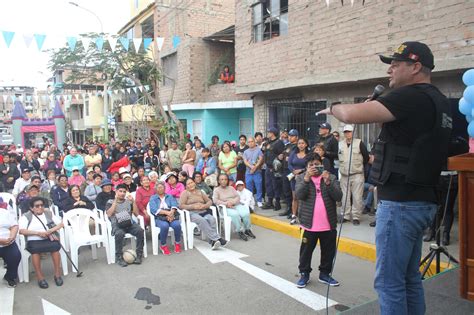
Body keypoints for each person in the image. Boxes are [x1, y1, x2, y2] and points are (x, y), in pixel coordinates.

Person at [317, 41, 451, 315]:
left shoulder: (410, 96)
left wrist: (334, 108)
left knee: (389, 283)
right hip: (422, 201)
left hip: (400, 204)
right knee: (410, 279)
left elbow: (351, 114)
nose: (390, 69)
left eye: (396, 64)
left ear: (415, 68)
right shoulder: (437, 100)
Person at [295, 154, 342, 288]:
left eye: (317, 164)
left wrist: (327, 182)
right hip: (309, 225)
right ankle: (304, 274)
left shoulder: (330, 177)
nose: (314, 167)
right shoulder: (301, 178)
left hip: (328, 224)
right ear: (306, 167)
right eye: (311, 165)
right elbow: (299, 195)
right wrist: (306, 179)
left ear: (322, 164)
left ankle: (325, 274)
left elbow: (338, 196)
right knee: (306, 252)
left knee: (329, 251)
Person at [19, 197, 65, 289]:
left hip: (49, 237)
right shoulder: (26, 216)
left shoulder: (48, 213)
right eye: (37, 206)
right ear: (32, 208)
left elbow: (61, 224)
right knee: (35, 251)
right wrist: (38, 233)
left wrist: (50, 230)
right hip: (34, 239)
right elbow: (21, 230)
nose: (40, 207)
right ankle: (40, 277)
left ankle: (57, 274)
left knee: (55, 247)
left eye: (42, 205)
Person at [179, 178, 227, 249]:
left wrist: (204, 206)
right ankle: (218, 238)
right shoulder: (185, 193)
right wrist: (193, 206)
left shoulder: (200, 192)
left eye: (191, 182)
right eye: (188, 184)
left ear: (194, 183)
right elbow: (181, 205)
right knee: (202, 220)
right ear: (186, 186)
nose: (190, 185)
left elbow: (209, 201)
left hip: (203, 211)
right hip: (192, 213)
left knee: (212, 219)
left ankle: (213, 241)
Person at [106, 184, 144, 266]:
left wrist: (133, 202)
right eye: (120, 191)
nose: (122, 193)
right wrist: (115, 201)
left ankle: (139, 254)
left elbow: (137, 213)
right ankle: (119, 257)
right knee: (119, 234)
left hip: (129, 223)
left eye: (124, 192)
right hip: (117, 224)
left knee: (140, 231)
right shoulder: (110, 202)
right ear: (116, 192)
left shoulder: (128, 202)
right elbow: (109, 214)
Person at [338, 124, 369, 226]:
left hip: (357, 174)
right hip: (344, 175)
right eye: (346, 132)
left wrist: (359, 167)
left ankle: (356, 216)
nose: (347, 133)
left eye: (349, 131)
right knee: (344, 196)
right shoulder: (340, 144)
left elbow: (366, 157)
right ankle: (345, 215)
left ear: (353, 132)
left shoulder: (359, 143)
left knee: (357, 196)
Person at [213, 174, 253, 241]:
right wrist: (226, 203)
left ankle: (247, 229)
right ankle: (240, 231)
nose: (224, 181)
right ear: (219, 181)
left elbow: (237, 197)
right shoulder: (216, 190)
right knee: (235, 214)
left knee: (245, 213)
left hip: (235, 205)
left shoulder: (231, 188)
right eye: (222, 179)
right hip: (224, 208)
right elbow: (215, 200)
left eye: (225, 179)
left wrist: (233, 202)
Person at [148, 181, 182, 255]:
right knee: (164, 226)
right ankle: (163, 245)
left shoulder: (169, 196)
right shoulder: (153, 198)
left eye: (162, 187)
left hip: (171, 215)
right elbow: (154, 209)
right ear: (156, 189)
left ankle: (177, 243)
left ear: (164, 188)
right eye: (158, 187)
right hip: (160, 217)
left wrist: (171, 213)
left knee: (177, 225)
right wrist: (167, 213)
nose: (160, 189)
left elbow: (174, 205)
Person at [287, 138, 311, 224]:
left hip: (304, 178)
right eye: (299, 143)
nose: (301, 145)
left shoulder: (309, 155)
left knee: (303, 198)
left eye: (303, 143)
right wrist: (294, 171)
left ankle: (303, 216)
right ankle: (294, 215)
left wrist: (301, 171)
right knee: (295, 197)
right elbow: (289, 164)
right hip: (294, 178)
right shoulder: (293, 153)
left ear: (306, 144)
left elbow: (310, 166)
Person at [261, 127, 285, 210]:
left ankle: (277, 203)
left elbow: (281, 155)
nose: (267, 133)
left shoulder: (279, 143)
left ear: (273, 133)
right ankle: (270, 202)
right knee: (268, 185)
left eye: (269, 132)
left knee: (276, 185)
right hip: (267, 167)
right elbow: (264, 152)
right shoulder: (267, 142)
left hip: (275, 168)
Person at [0, 204, 21, 287]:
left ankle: (9, 277)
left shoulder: (5, 212)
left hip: (8, 242)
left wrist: (12, 237)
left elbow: (14, 226)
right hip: (2, 240)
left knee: (15, 256)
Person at [280, 129, 299, 218]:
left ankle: (294, 210)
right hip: (285, 169)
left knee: (293, 192)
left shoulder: (297, 146)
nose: (290, 137)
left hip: (292, 170)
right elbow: (284, 154)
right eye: (289, 136)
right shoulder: (288, 146)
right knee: (286, 189)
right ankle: (288, 208)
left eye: (292, 136)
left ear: (296, 137)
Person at [243, 137, 264, 208]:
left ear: (255, 142)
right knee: (249, 188)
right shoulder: (245, 152)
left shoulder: (259, 150)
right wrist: (251, 167)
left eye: (252, 141)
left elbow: (260, 160)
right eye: (249, 142)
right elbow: (245, 161)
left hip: (257, 172)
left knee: (258, 187)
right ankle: (250, 201)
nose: (250, 143)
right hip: (248, 173)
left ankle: (259, 201)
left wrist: (255, 168)